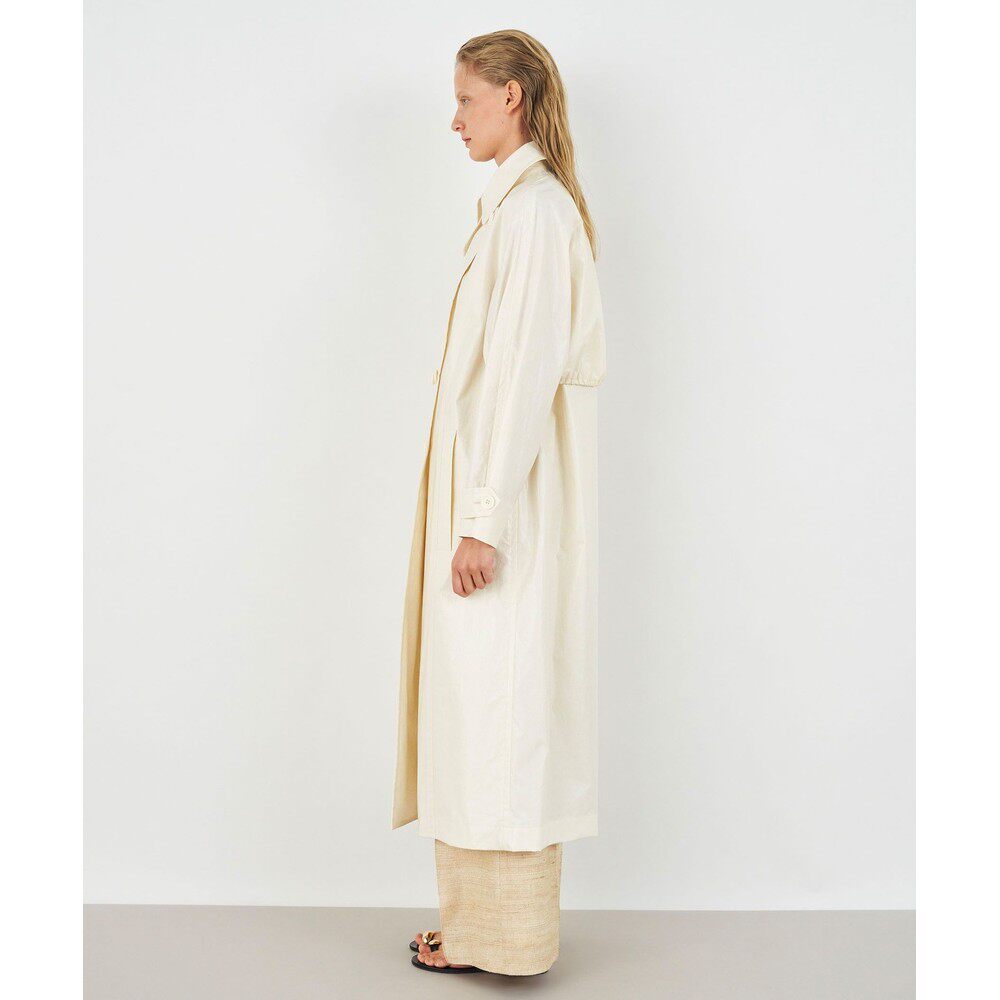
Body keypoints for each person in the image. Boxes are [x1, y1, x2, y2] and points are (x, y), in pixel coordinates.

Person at [391, 28, 607, 977]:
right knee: (478, 713)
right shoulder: (516, 210)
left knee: (501, 713)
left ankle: (508, 939)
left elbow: (520, 379)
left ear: (511, 97)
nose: (455, 120)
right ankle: (482, 929)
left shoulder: (536, 215)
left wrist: (481, 520)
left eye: (466, 100)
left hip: (506, 510)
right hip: (494, 497)